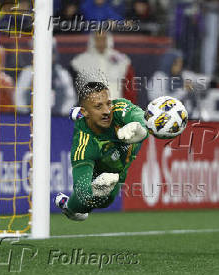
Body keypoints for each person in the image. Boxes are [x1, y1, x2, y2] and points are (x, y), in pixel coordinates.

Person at [54, 81, 149, 221]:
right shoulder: (84, 144)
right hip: (103, 172)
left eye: (108, 103)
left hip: (119, 165)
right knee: (98, 200)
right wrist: (96, 191)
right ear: (85, 111)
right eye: (99, 106)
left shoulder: (118, 108)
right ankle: (69, 208)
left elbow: (140, 116)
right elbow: (82, 190)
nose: (106, 111)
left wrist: (141, 128)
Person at [71, 31, 137, 103]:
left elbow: (129, 88)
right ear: (92, 40)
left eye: (103, 39)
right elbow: (73, 91)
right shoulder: (80, 61)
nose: (101, 43)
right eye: (98, 39)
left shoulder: (122, 61)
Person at [15, 39, 77, 116]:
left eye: (50, 53)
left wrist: (60, 113)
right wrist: (26, 112)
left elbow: (70, 98)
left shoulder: (62, 73)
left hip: (57, 118)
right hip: (30, 117)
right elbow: (18, 96)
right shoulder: (27, 72)